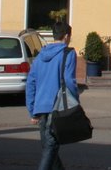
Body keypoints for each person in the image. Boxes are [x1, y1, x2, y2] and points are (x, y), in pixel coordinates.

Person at [26, 22, 78, 170]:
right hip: (57, 108)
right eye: (70, 37)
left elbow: (31, 83)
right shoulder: (68, 54)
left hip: (40, 108)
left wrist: (32, 110)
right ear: (66, 36)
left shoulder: (40, 55)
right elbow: (69, 81)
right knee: (50, 148)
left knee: (50, 147)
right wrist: (75, 104)